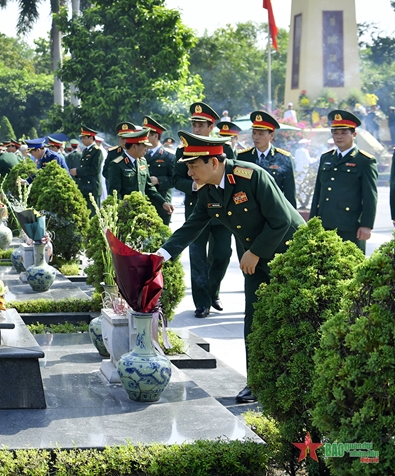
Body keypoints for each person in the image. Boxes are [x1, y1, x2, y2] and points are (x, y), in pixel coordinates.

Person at [156, 131, 304, 404]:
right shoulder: (208, 190)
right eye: (187, 166)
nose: (189, 173)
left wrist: (255, 252)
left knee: (298, 321)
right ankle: (257, 384)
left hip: (292, 256)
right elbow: (191, 226)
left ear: (214, 162)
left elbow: (281, 220)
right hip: (256, 261)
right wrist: (160, 256)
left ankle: (302, 385)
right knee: (254, 320)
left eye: (193, 165)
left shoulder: (251, 176)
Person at [171, 103, 235, 319]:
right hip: (196, 211)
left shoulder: (225, 148)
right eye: (194, 125)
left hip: (222, 212)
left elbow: (232, 176)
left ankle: (212, 291)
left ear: (211, 126)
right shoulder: (183, 150)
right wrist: (192, 185)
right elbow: (176, 178)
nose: (196, 129)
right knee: (197, 257)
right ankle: (202, 303)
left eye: (201, 125)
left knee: (222, 254)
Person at [309, 110, 378, 253]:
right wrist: (313, 221)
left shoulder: (364, 161)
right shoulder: (326, 158)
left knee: (350, 270)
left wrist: (366, 225)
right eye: (335, 132)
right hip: (325, 224)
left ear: (354, 134)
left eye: (344, 132)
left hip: (350, 227)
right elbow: (318, 192)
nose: (339, 136)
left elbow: (370, 197)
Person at [107, 128, 175, 217]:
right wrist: (122, 212)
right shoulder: (117, 165)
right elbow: (114, 193)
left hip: (141, 211)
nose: (146, 149)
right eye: (144, 146)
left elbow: (149, 187)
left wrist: (163, 203)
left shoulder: (142, 162)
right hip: (126, 213)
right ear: (134, 146)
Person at [236, 111, 296, 207]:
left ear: (271, 135)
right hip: (250, 212)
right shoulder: (243, 157)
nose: (256, 137)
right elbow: (238, 188)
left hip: (274, 210)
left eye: (261, 134)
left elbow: (289, 193)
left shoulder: (283, 158)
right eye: (254, 133)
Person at [142, 116, 175, 225]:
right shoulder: (140, 154)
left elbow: (175, 180)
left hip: (162, 202)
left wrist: (159, 180)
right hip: (144, 203)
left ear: (156, 136)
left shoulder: (168, 156)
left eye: (146, 135)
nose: (143, 137)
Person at [70, 127, 103, 211]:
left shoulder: (97, 151)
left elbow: (94, 169)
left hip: (92, 187)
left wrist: (78, 171)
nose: (82, 140)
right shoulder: (85, 151)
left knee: (93, 214)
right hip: (85, 186)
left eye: (84, 138)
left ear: (91, 138)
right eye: (81, 138)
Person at [103, 122, 139, 195]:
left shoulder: (138, 151)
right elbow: (105, 171)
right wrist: (116, 178)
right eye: (123, 138)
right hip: (117, 190)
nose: (125, 141)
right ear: (119, 138)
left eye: (128, 138)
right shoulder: (113, 153)